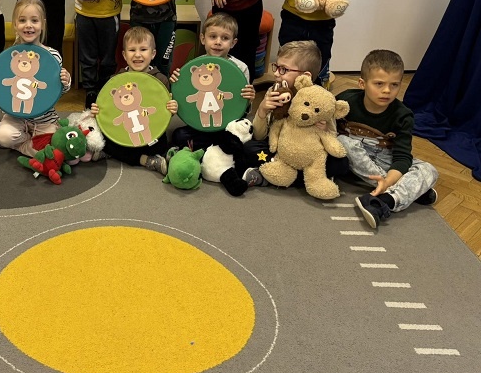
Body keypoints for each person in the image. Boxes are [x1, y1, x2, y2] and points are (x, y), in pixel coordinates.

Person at [336, 49, 438, 229]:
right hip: (353, 156)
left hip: (384, 157)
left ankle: (383, 201)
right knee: (344, 142)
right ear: (362, 83)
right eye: (379, 84)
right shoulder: (345, 100)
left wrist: (388, 181)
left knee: (429, 170)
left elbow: (402, 156)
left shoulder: (403, 115)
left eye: (394, 85)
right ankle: (409, 189)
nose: (386, 90)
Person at [243, 40, 348, 186]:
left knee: (341, 162)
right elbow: (259, 136)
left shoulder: (321, 98)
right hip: (281, 151)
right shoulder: (274, 91)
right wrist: (262, 110)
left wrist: (324, 129)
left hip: (310, 155)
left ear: (305, 76)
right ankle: (302, 177)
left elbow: (332, 136)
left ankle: (273, 175)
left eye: (283, 69)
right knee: (248, 149)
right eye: (276, 67)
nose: (276, 73)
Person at [91, 26, 178, 175]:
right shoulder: (116, 80)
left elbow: (162, 114)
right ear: (124, 55)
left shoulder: (161, 80)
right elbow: (110, 110)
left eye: (143, 49)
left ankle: (115, 153)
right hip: (125, 132)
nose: (137, 55)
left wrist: (172, 109)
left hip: (149, 131)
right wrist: (97, 110)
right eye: (132, 50)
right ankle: (146, 160)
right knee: (106, 137)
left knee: (161, 144)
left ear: (153, 54)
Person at [0, 0, 72, 156]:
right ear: (15, 24)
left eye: (34, 20)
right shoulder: (7, 57)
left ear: (42, 24)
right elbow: (1, 90)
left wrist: (66, 82)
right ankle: (32, 146)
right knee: (4, 137)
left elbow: (54, 92)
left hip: (44, 118)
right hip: (15, 115)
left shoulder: (52, 56)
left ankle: (26, 145)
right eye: (22, 20)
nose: (28, 25)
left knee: (56, 145)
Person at [169, 12, 256, 151]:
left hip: (228, 123)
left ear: (233, 43)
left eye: (225, 38)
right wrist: (177, 81)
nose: (218, 42)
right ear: (203, 39)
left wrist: (249, 98)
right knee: (178, 135)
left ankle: (209, 147)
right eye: (213, 36)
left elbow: (241, 105)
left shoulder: (241, 68)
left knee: (243, 137)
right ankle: (217, 148)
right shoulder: (194, 66)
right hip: (201, 121)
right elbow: (185, 96)